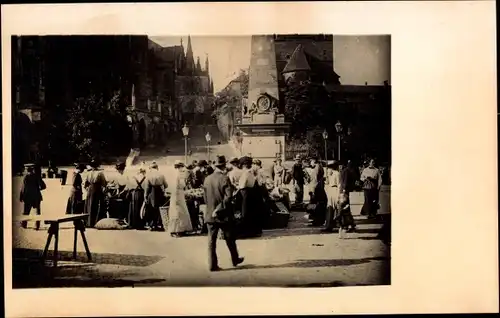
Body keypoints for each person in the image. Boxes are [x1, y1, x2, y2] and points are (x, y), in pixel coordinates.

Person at [203, 155, 244, 271]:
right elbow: (228, 197)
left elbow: (205, 198)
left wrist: (212, 209)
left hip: (210, 214)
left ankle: (212, 265)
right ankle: (235, 259)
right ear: (224, 166)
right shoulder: (225, 178)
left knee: (211, 240)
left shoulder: (207, 179)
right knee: (230, 238)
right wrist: (219, 209)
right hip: (224, 215)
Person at [237, 156, 262, 238]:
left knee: (245, 213)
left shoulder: (246, 173)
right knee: (252, 212)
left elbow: (242, 185)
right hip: (251, 192)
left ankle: (245, 232)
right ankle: (253, 231)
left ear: (244, 165)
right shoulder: (251, 172)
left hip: (245, 193)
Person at [167, 160, 194, 237]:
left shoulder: (176, 174)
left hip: (177, 194)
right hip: (178, 194)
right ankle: (179, 230)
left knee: (177, 212)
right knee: (179, 212)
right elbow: (179, 185)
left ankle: (176, 229)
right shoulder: (178, 174)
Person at [20, 163, 46, 230]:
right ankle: (37, 226)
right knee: (37, 212)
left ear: (27, 169)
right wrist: (37, 189)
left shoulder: (26, 177)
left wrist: (21, 196)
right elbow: (43, 186)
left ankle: (24, 225)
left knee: (26, 212)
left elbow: (23, 188)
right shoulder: (37, 176)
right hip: (37, 196)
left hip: (28, 197)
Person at [144, 161, 168, 231]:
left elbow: (147, 187)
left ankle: (153, 225)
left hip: (152, 193)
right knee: (160, 208)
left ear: (151, 168)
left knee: (152, 209)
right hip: (160, 192)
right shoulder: (161, 175)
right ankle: (160, 224)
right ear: (157, 167)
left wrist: (145, 196)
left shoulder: (149, 175)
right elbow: (166, 185)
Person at [84, 159, 107, 228]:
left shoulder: (88, 173)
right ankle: (95, 221)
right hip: (97, 189)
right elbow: (104, 183)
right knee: (96, 205)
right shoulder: (100, 173)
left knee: (89, 205)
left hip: (90, 190)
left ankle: (88, 222)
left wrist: (87, 189)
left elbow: (85, 184)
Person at [308, 158, 327, 226]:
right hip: (319, 188)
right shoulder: (319, 166)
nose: (310, 163)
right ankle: (318, 220)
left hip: (316, 189)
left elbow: (315, 181)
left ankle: (316, 220)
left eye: (311, 161)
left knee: (315, 205)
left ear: (314, 161)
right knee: (318, 205)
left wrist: (312, 191)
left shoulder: (317, 168)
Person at [126, 165, 147, 230]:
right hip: (141, 193)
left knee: (133, 208)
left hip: (134, 193)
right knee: (141, 208)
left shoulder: (133, 177)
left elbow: (129, 186)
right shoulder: (145, 178)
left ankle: (133, 224)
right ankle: (140, 224)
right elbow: (146, 187)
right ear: (144, 172)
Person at [323, 161, 340, 232]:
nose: (329, 168)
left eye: (330, 167)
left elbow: (339, 184)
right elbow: (327, 183)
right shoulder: (329, 174)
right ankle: (329, 225)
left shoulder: (337, 173)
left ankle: (338, 224)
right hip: (330, 190)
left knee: (337, 207)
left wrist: (339, 194)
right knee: (330, 207)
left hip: (335, 189)